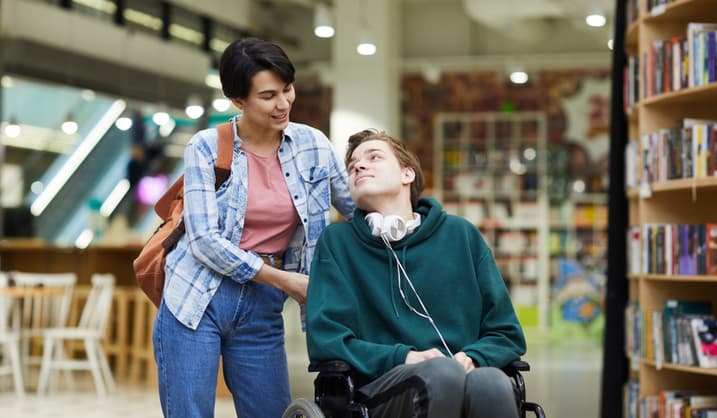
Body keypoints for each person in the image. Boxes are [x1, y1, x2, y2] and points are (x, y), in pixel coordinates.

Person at [152, 37, 355, 418]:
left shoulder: (312, 145)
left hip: (262, 307)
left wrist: (405, 216)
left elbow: (355, 209)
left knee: (270, 411)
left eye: (287, 89)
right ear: (238, 101)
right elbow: (204, 241)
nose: (283, 104)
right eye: (268, 95)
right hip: (198, 298)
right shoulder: (206, 147)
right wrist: (285, 281)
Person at [306, 129, 527, 418]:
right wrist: (405, 357)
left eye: (374, 157)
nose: (359, 166)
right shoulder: (337, 243)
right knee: (442, 373)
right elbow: (327, 339)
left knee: (492, 382)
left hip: (462, 375)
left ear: (407, 175)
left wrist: (474, 357)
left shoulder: (461, 235)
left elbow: (506, 333)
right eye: (352, 166)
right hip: (377, 392)